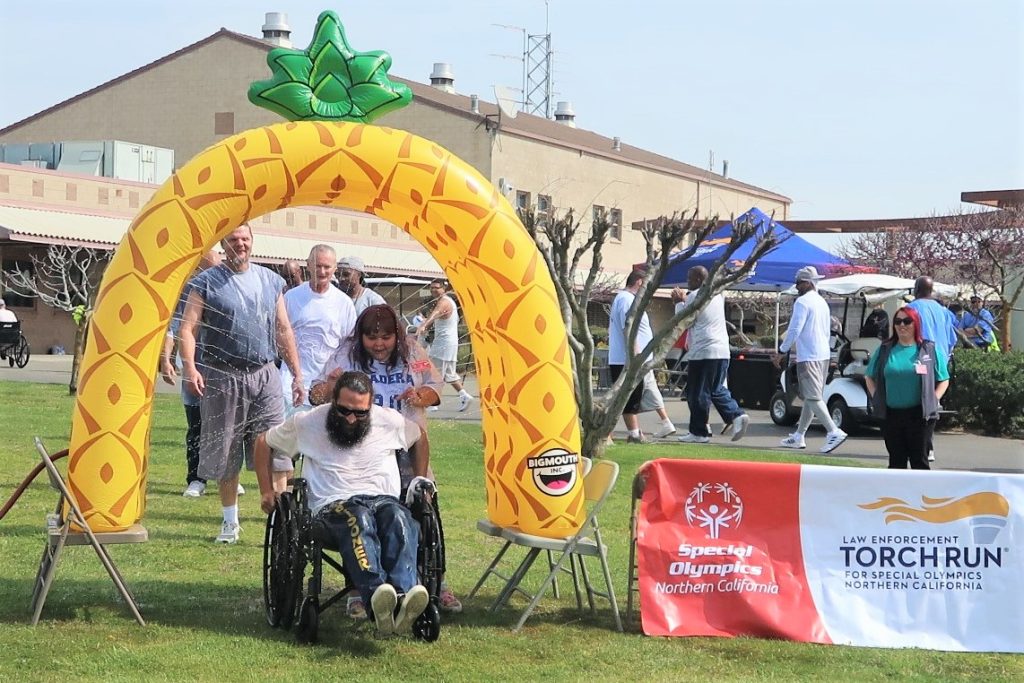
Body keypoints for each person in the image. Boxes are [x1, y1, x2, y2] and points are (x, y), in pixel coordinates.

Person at [310, 304, 463, 616]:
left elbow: (436, 388)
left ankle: (436, 583)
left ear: (397, 335)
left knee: (423, 509)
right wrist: (329, 386)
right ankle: (358, 588)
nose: (378, 344)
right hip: (360, 451)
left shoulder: (412, 353)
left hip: (409, 448)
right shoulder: (347, 355)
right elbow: (316, 394)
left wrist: (423, 397)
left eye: (386, 337)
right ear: (361, 337)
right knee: (362, 514)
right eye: (371, 337)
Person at [254, 371, 431, 638]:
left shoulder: (389, 421)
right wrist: (266, 490)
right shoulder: (307, 422)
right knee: (358, 518)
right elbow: (262, 442)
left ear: (370, 406)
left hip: (382, 500)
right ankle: (377, 597)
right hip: (332, 506)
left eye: (360, 413)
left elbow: (420, 438)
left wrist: (418, 478)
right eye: (344, 410)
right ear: (333, 400)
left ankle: (404, 597)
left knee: (399, 517)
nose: (351, 418)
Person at [179, 224, 306, 544]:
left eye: (245, 240)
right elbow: (188, 329)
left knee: (277, 447)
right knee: (226, 450)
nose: (240, 245)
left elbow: (283, 329)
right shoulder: (205, 283)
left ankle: (280, 524)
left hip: (265, 375)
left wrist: (297, 373)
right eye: (234, 240)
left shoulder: (270, 281)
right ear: (224, 243)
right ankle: (229, 524)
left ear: (252, 242)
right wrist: (190, 367)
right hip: (222, 377)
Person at [160, 249, 222, 498]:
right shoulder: (190, 289)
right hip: (193, 367)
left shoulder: (227, 287)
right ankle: (196, 478)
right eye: (209, 268)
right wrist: (166, 360)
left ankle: (225, 475)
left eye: (217, 268)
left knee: (224, 425)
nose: (214, 274)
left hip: (222, 369)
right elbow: (174, 328)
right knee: (196, 424)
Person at [771, 266, 848, 454]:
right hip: (822, 355)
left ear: (807, 283)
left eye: (799, 282)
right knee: (810, 398)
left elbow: (794, 329)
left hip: (810, 356)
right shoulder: (821, 302)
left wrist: (781, 351)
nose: (796, 286)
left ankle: (833, 431)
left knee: (812, 397)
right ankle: (799, 435)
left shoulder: (803, 302)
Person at [864, 307, 949, 469]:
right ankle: (896, 494)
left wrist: (934, 398)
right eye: (897, 321)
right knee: (896, 461)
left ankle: (922, 493)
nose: (902, 325)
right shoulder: (885, 350)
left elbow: (943, 380)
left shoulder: (928, 349)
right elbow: (869, 376)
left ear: (915, 323)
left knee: (919, 460)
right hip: (891, 415)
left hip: (920, 415)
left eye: (907, 321)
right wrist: (877, 397)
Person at [673, 267, 749, 444]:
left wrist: (678, 302)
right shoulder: (717, 295)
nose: (687, 281)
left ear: (699, 279)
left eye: (690, 278)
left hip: (703, 352)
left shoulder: (696, 296)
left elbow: (683, 321)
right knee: (714, 389)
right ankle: (729, 418)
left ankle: (703, 430)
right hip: (721, 350)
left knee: (697, 393)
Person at [281, 245, 356, 406]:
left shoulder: (344, 303)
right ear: (308, 265)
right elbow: (281, 337)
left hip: (328, 388)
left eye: (327, 267)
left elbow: (349, 345)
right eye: (317, 266)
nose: (322, 272)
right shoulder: (291, 298)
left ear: (334, 268)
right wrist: (296, 377)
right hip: (291, 386)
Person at [608, 271, 676, 443]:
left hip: (633, 359)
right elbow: (628, 327)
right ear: (639, 282)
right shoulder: (626, 299)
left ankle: (634, 433)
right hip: (628, 359)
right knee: (627, 398)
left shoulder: (628, 299)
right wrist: (635, 354)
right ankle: (632, 434)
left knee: (630, 397)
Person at [906, 276, 957, 463]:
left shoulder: (911, 309)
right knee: (932, 402)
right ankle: (927, 445)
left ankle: (925, 446)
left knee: (918, 404)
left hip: (920, 360)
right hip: (940, 362)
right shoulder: (943, 311)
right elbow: (952, 339)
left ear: (916, 288)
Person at [416, 279, 474, 412]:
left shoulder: (444, 302)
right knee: (449, 374)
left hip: (443, 344)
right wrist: (424, 322)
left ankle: (433, 403)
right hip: (449, 344)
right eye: (431, 288)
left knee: (433, 373)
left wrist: (424, 325)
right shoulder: (447, 302)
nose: (433, 290)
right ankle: (464, 395)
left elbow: (435, 314)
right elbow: (435, 316)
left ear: (444, 289)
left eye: (436, 287)